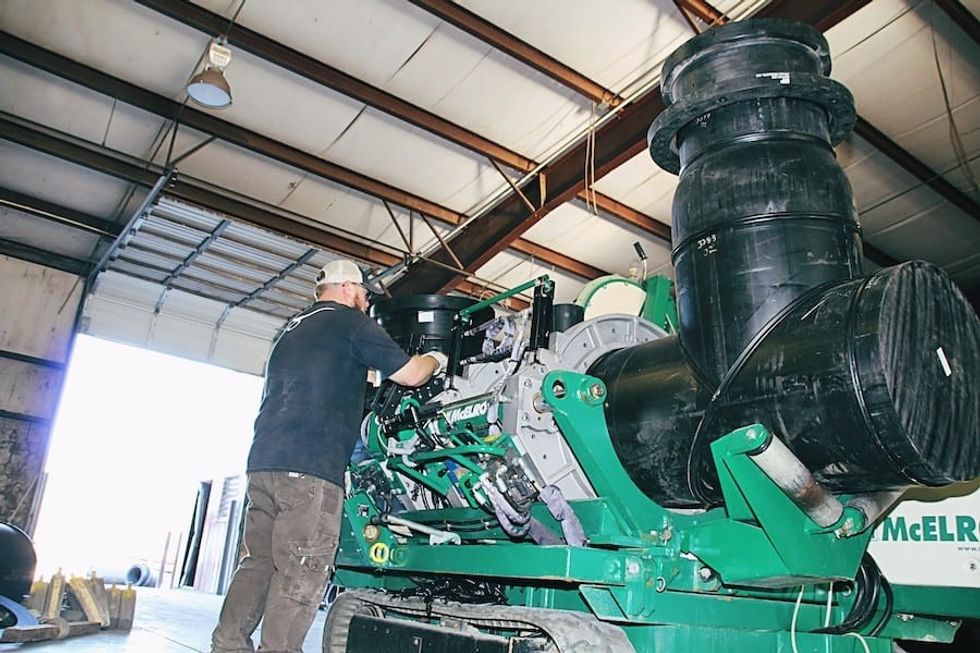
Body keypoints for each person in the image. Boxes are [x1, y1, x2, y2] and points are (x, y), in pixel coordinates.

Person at [211, 259, 447, 653]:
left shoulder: (291, 329)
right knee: (301, 569)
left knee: (257, 564)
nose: (366, 302)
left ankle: (226, 646)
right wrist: (436, 359)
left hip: (264, 465)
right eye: (364, 293)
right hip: (310, 469)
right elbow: (411, 375)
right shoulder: (349, 322)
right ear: (347, 288)